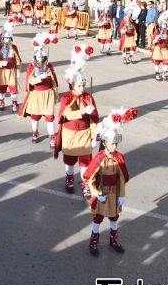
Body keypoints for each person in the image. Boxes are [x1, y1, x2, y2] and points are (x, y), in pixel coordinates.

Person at [83, 107, 136, 256]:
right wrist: (96, 193)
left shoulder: (119, 157)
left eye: (116, 144)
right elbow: (89, 177)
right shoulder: (99, 158)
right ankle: (94, 240)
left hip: (114, 193)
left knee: (114, 216)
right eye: (111, 143)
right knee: (98, 218)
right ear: (105, 142)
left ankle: (113, 239)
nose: (114, 146)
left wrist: (122, 195)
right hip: (102, 192)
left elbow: (122, 178)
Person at [54, 44, 98, 194]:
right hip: (70, 133)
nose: (82, 88)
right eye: (79, 85)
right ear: (73, 85)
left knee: (85, 160)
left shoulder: (88, 97)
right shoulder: (67, 98)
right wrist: (83, 111)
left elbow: (94, 119)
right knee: (70, 159)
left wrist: (94, 135)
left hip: (85, 133)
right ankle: (69, 177)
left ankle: (85, 182)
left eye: (83, 85)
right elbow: (66, 114)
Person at [18, 34, 59, 146]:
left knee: (49, 117)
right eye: (39, 57)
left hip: (48, 94)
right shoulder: (32, 67)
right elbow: (30, 81)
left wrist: (56, 94)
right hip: (36, 94)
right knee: (35, 116)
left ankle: (52, 136)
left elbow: (54, 82)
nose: (40, 59)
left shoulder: (49, 67)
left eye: (42, 57)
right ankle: (35, 132)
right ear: (35, 57)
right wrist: (39, 78)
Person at [0, 20, 22, 112]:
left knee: (13, 88)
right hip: (2, 71)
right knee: (1, 87)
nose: (7, 40)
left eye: (8, 38)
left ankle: (14, 103)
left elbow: (17, 60)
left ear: (11, 39)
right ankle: (1, 101)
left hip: (11, 71)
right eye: (5, 38)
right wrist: (0, 63)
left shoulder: (14, 47)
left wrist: (18, 71)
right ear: (2, 39)